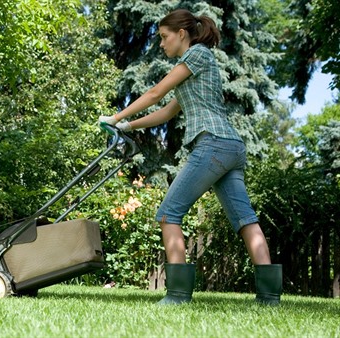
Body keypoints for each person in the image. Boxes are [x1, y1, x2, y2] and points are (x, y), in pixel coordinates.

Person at [99, 9, 282, 305]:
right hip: (229, 147)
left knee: (169, 214)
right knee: (246, 219)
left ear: (181, 34)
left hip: (213, 145)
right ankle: (269, 298)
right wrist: (128, 125)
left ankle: (177, 296)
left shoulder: (197, 54)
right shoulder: (192, 70)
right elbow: (167, 111)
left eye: (164, 37)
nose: (161, 44)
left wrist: (114, 116)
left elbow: (157, 92)